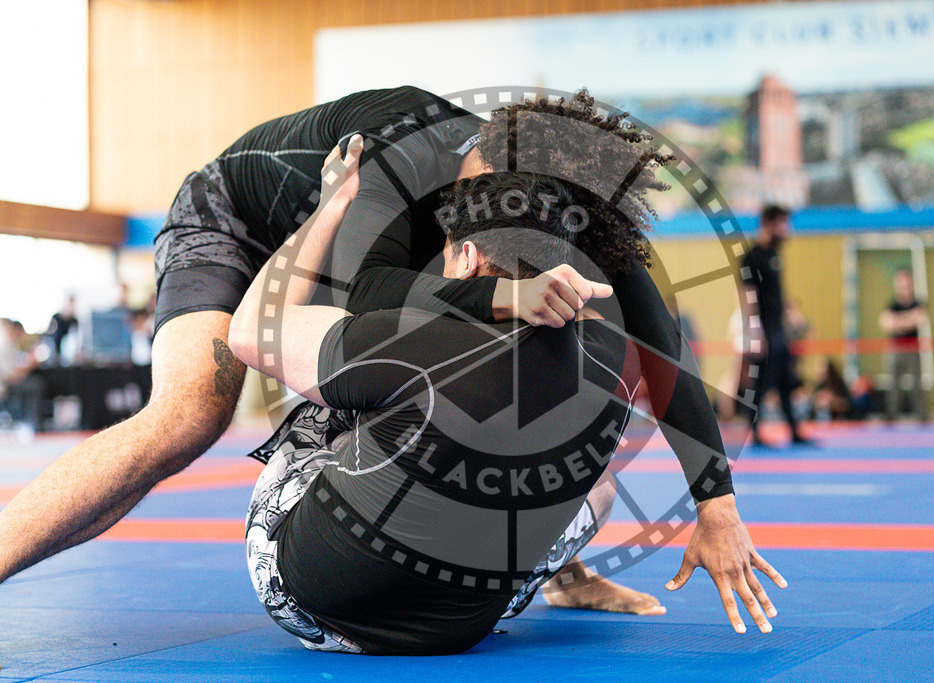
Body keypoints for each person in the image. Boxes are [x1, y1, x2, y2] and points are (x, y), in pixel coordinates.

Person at [0, 87, 750, 618]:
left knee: (536, 364)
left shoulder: (564, 199)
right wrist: (498, 297)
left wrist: (716, 506)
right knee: (188, 414)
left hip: (352, 263)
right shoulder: (403, 154)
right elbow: (361, 293)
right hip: (242, 223)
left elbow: (662, 347)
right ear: (482, 151)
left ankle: (563, 565)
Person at [229, 141, 785, 654]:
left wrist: (331, 205)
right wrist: (716, 507)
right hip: (458, 631)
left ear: (466, 256)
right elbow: (667, 351)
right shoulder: (616, 362)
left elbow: (247, 333)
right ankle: (546, 578)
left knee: (334, 388)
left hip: (311, 605)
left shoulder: (409, 336)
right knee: (602, 488)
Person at [741, 205, 810, 445]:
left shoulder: (775, 255)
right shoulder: (752, 256)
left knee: (785, 380)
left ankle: (794, 431)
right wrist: (754, 331)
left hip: (779, 329)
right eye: (782, 223)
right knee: (760, 382)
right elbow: (748, 295)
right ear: (768, 224)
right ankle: (755, 433)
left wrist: (793, 314)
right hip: (764, 329)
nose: (787, 229)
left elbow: (779, 294)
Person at [878, 269, 928, 422]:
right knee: (893, 384)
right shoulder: (892, 304)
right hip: (896, 348)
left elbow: (919, 319)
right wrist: (907, 320)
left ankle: (920, 415)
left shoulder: (918, 303)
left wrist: (898, 321)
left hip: (913, 348)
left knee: (917, 384)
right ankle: (892, 415)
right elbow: (886, 323)